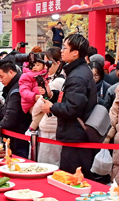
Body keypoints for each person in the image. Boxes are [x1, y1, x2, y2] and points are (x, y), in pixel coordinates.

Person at [39, 33, 98, 177]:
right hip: (75, 133)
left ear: (75, 52)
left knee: (73, 178)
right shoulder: (78, 71)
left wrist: (51, 108)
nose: (61, 51)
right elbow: (72, 100)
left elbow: (73, 108)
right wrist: (52, 96)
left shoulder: (77, 76)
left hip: (76, 135)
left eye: (65, 48)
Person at [0, 59, 32, 157]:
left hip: (19, 135)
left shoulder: (17, 89)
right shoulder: (18, 85)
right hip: (20, 134)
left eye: (1, 77)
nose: (1, 81)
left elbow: (11, 118)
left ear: (11, 72)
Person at [20, 54, 48, 134]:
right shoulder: (26, 75)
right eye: (32, 65)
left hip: (41, 101)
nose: (34, 67)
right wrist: (34, 97)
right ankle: (31, 129)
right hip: (30, 103)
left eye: (38, 65)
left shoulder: (46, 75)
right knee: (42, 110)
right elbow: (24, 91)